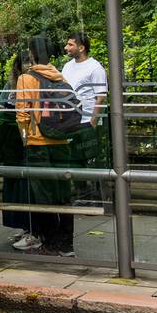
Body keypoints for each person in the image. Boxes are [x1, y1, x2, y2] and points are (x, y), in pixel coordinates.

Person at [15, 35, 76, 257]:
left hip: (38, 142)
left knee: (43, 195)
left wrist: (24, 138)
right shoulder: (61, 77)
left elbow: (22, 114)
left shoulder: (26, 78)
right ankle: (66, 244)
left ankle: (50, 243)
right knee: (63, 194)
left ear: (31, 54)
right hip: (61, 142)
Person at [0, 50, 36, 252]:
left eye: (31, 63)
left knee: (26, 184)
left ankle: (32, 228)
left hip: (27, 139)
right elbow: (0, 109)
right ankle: (22, 225)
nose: (28, 67)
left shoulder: (34, 84)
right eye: (24, 63)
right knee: (13, 184)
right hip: (12, 141)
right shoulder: (11, 86)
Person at [63, 30, 108, 204]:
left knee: (91, 161)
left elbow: (101, 97)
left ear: (81, 48)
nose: (66, 47)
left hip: (87, 121)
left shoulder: (95, 68)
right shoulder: (67, 66)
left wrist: (93, 122)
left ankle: (97, 199)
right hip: (70, 121)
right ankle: (81, 196)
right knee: (74, 161)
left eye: (70, 44)